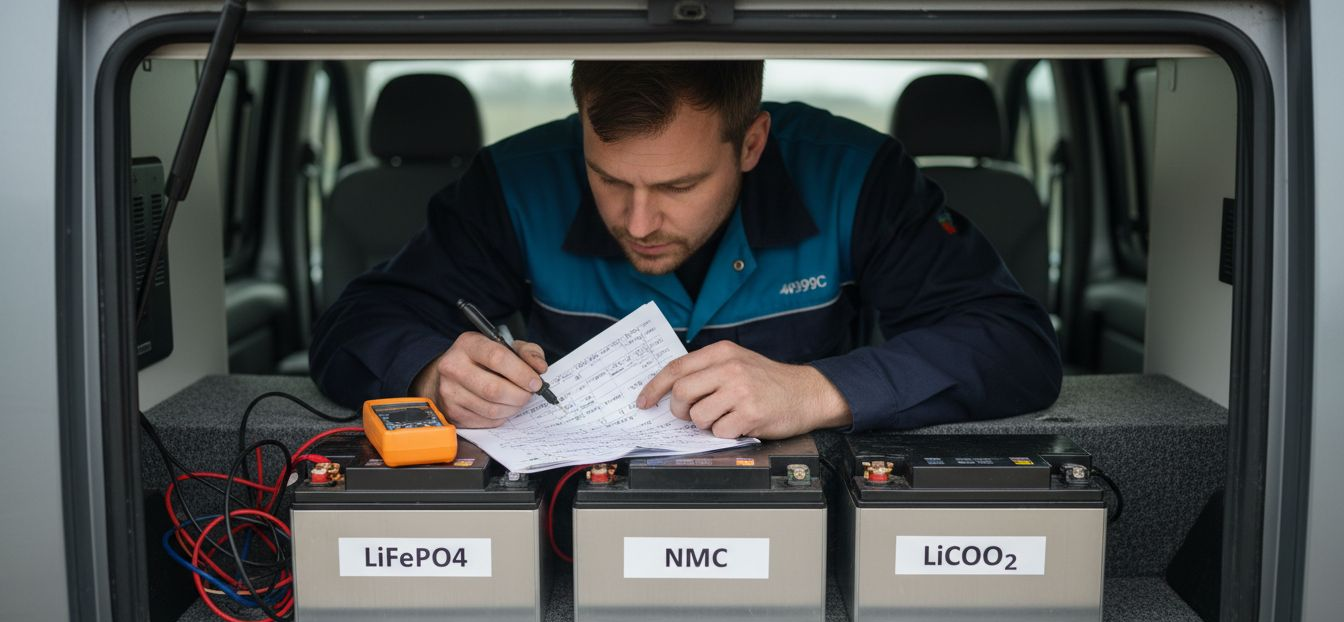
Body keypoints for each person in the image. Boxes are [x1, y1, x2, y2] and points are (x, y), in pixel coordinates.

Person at [310, 61, 1061, 439]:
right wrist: (432, 370)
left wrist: (815, 391)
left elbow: (1015, 346)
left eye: (679, 186)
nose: (637, 222)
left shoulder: (857, 179)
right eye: (607, 179)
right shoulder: (514, 185)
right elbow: (356, 324)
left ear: (753, 143)